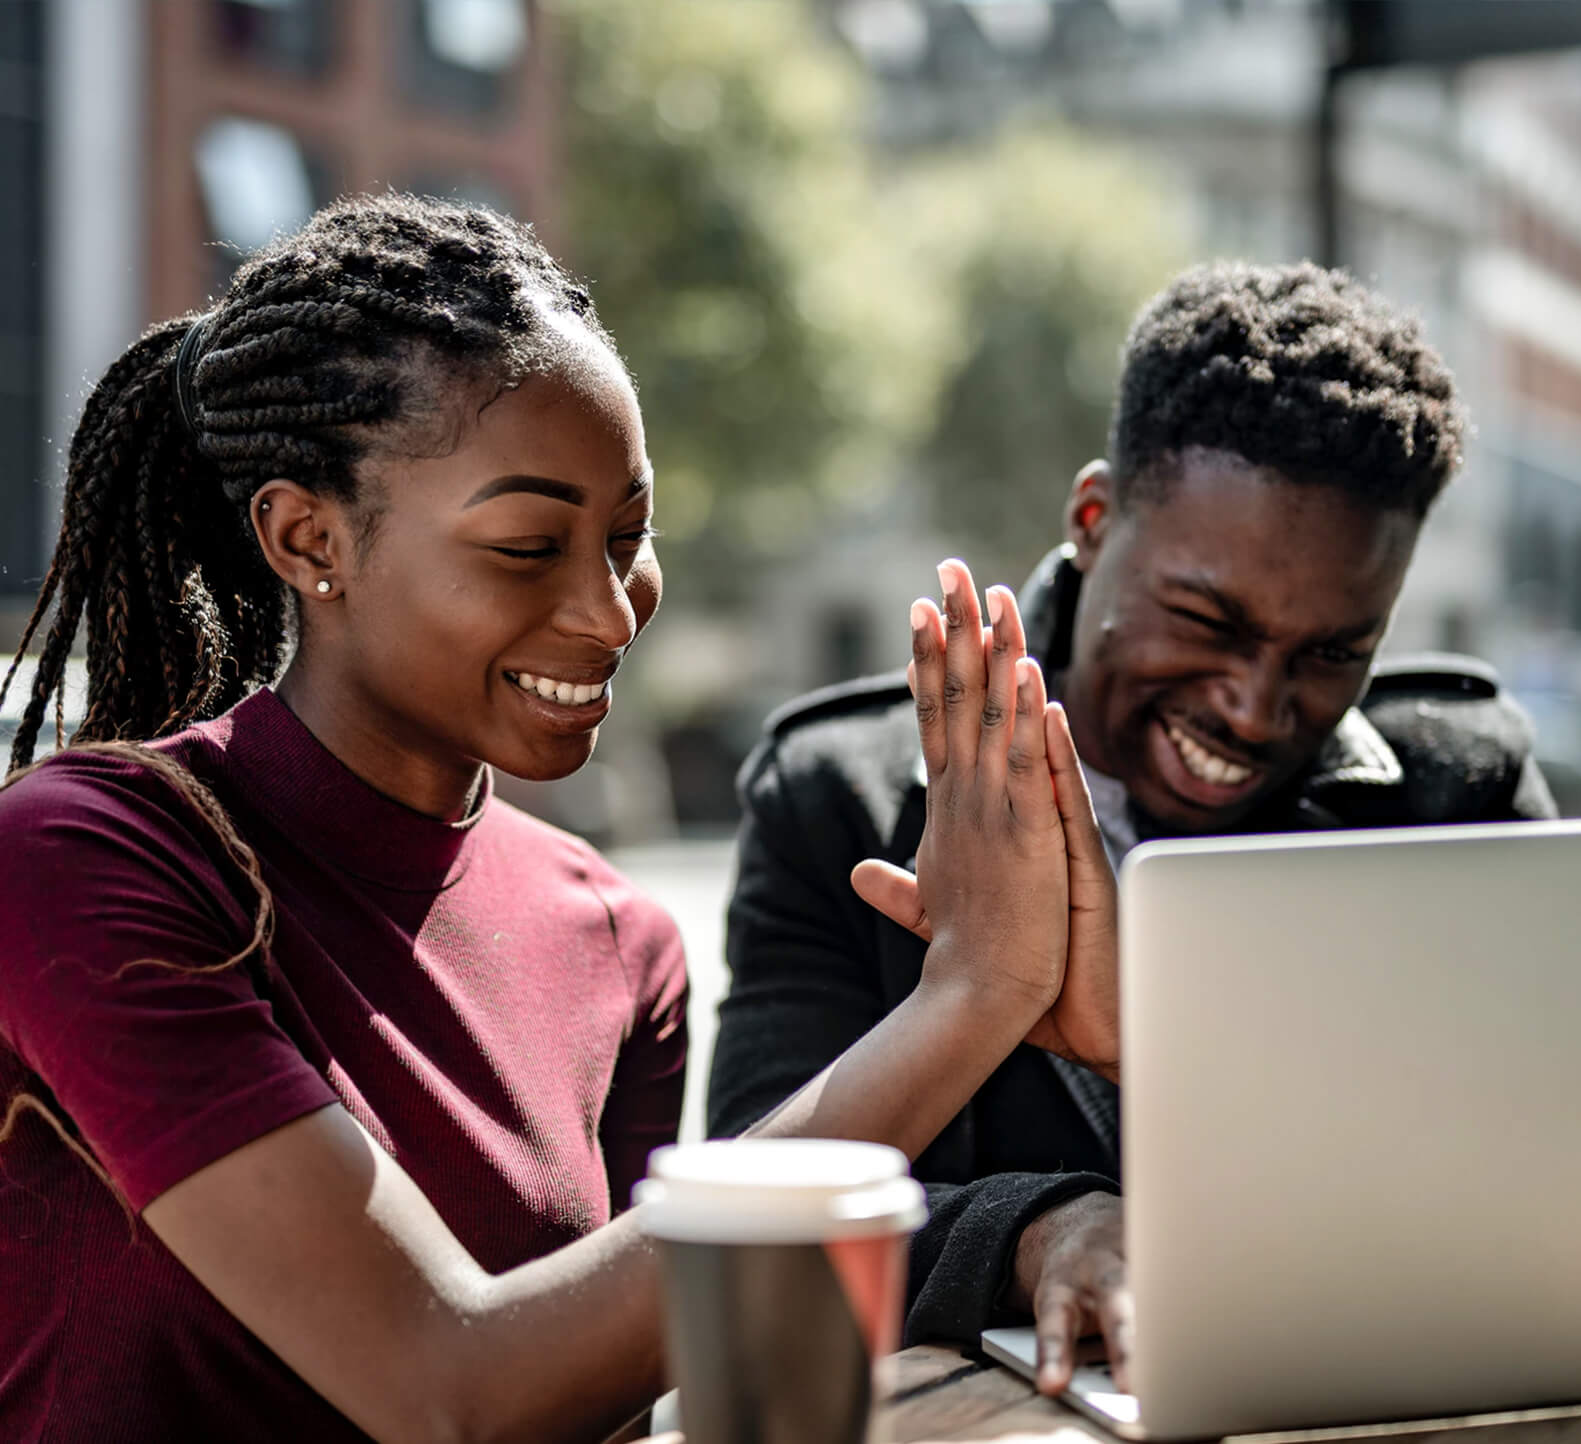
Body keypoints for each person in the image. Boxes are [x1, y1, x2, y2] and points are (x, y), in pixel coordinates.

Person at [0, 193, 1111, 1444]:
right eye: (530, 546)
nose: (608, 610)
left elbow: (594, 1406)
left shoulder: (617, 938)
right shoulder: (89, 855)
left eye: (628, 535)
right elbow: (448, 1389)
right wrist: (966, 1000)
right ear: (310, 538)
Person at [708, 260, 1558, 1393]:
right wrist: (1034, 1231)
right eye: (1206, 619)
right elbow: (756, 1200)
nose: (1255, 708)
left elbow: (1548, 1163)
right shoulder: (839, 798)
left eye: (1330, 654)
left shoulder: (1459, 787)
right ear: (1095, 519)